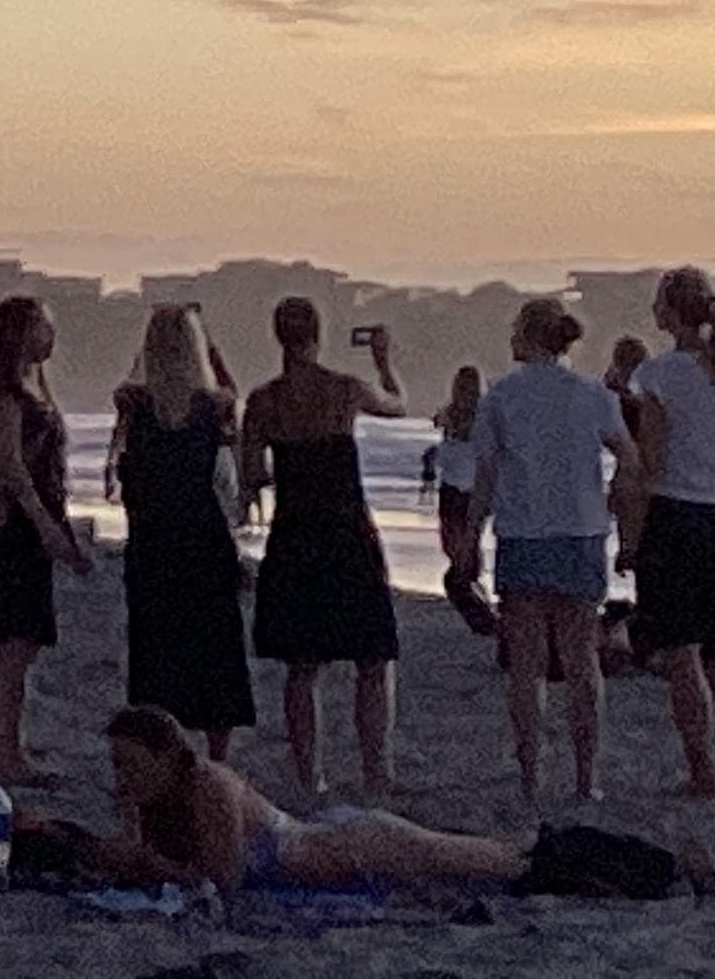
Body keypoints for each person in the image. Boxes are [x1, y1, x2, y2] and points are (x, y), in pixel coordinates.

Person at [473, 295, 635, 802]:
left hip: (523, 535)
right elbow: (629, 458)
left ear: (528, 336)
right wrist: (615, 509)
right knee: (581, 658)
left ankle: (531, 774)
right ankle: (586, 777)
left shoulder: (501, 397)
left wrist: (469, 540)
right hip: (580, 533)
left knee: (527, 666)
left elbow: (484, 477)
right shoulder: (592, 395)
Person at [240, 299, 403, 798]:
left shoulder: (264, 401)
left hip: (296, 534)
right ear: (318, 335)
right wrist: (383, 360)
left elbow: (251, 475)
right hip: (346, 532)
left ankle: (310, 774)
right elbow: (396, 404)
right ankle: (376, 770)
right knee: (372, 657)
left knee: (302, 665)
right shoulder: (345, 389)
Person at [99, 707, 524, 894]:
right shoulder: (142, 794)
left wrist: (149, 865)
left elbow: (224, 879)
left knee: (466, 858)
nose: (123, 774)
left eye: (131, 763)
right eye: (118, 764)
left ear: (165, 756)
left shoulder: (210, 786)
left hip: (337, 848)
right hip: (319, 851)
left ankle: (538, 852)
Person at [626, 265, 715, 799]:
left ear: (669, 312)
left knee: (681, 652)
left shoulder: (660, 375)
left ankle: (702, 769)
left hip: (675, 514)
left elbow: (652, 461)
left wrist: (630, 528)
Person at [115, 303, 254, 761]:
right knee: (215, 649)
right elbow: (227, 479)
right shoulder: (212, 409)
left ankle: (159, 749)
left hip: (152, 542)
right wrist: (212, 351)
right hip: (202, 539)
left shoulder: (135, 408)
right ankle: (217, 756)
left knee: (156, 649)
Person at [0, 295, 87, 781]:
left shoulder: (36, 385)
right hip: (18, 527)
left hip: (38, 518)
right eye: (43, 326)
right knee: (14, 643)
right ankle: (3, 754)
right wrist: (44, 525)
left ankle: (9, 747)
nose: (50, 335)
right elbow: (13, 467)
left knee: (26, 641)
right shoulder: (7, 393)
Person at [433, 364, 490, 617]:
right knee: (450, 536)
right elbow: (445, 440)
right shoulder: (449, 412)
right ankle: (465, 577)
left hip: (473, 486)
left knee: (468, 536)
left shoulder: (484, 415)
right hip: (450, 482)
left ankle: (467, 579)